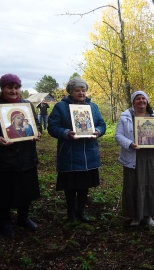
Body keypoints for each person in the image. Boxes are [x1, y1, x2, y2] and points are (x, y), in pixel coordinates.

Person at [48, 77, 106, 223]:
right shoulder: (60, 107)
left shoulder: (93, 107)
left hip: (88, 153)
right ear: (70, 91)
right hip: (70, 153)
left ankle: (81, 211)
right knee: (70, 186)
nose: (81, 93)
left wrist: (98, 131)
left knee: (84, 185)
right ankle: (71, 213)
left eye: (83, 90)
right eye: (77, 90)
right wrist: (66, 133)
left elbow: (101, 124)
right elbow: (52, 127)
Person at [0, 73, 42, 238]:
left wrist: (37, 133)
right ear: (2, 88)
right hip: (3, 159)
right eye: (10, 87)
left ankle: (23, 218)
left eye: (17, 87)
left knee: (25, 189)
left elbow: (36, 124)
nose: (14, 91)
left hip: (27, 156)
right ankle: (5, 223)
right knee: (4, 192)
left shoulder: (26, 105)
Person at [115, 91, 154, 227]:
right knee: (133, 184)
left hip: (150, 157)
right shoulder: (125, 116)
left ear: (147, 101)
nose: (141, 101)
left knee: (150, 184)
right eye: (138, 99)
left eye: (144, 98)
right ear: (133, 102)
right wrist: (129, 144)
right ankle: (135, 216)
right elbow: (118, 135)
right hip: (133, 156)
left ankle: (149, 215)